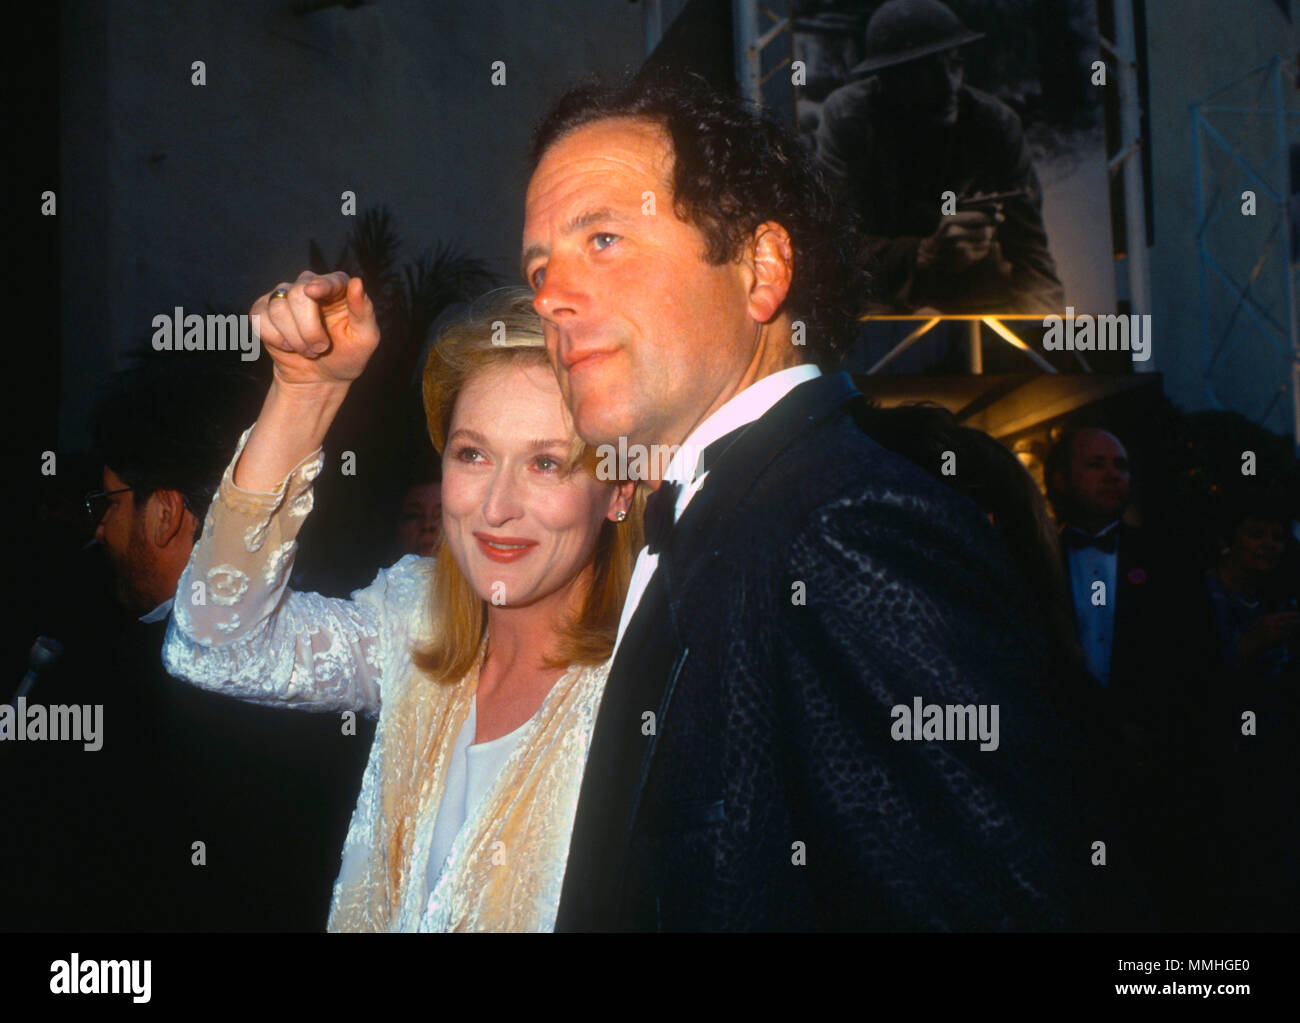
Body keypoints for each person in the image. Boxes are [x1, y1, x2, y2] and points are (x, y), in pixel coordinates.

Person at [522, 71, 1135, 930]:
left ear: (762, 269)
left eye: (604, 240)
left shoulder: (845, 528)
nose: (548, 295)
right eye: (539, 265)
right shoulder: (720, 513)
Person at [162, 285, 638, 931]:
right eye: (473, 453)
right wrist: (305, 393)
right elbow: (213, 645)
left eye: (547, 462)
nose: (496, 505)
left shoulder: (649, 688)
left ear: (620, 490)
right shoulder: (414, 616)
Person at [1, 357, 362, 931]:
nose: (98, 529)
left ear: (165, 513)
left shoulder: (108, 684)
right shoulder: (333, 651)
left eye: (107, 504)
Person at [813, 0, 1064, 314]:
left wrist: (1051, 339)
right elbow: (832, 249)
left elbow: (1031, 255)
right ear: (888, 79)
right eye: (927, 72)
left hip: (972, 293)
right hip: (882, 293)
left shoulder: (995, 124)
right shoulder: (850, 119)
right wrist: (920, 254)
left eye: (955, 64)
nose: (950, 85)